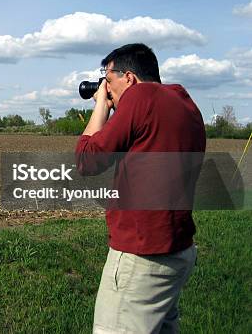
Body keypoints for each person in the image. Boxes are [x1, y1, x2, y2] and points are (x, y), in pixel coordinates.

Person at [75, 43, 205, 333]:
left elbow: (88, 160)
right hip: (177, 250)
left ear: (130, 78)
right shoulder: (183, 101)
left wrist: (100, 106)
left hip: (142, 256)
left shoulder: (140, 96)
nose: (107, 90)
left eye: (108, 81)